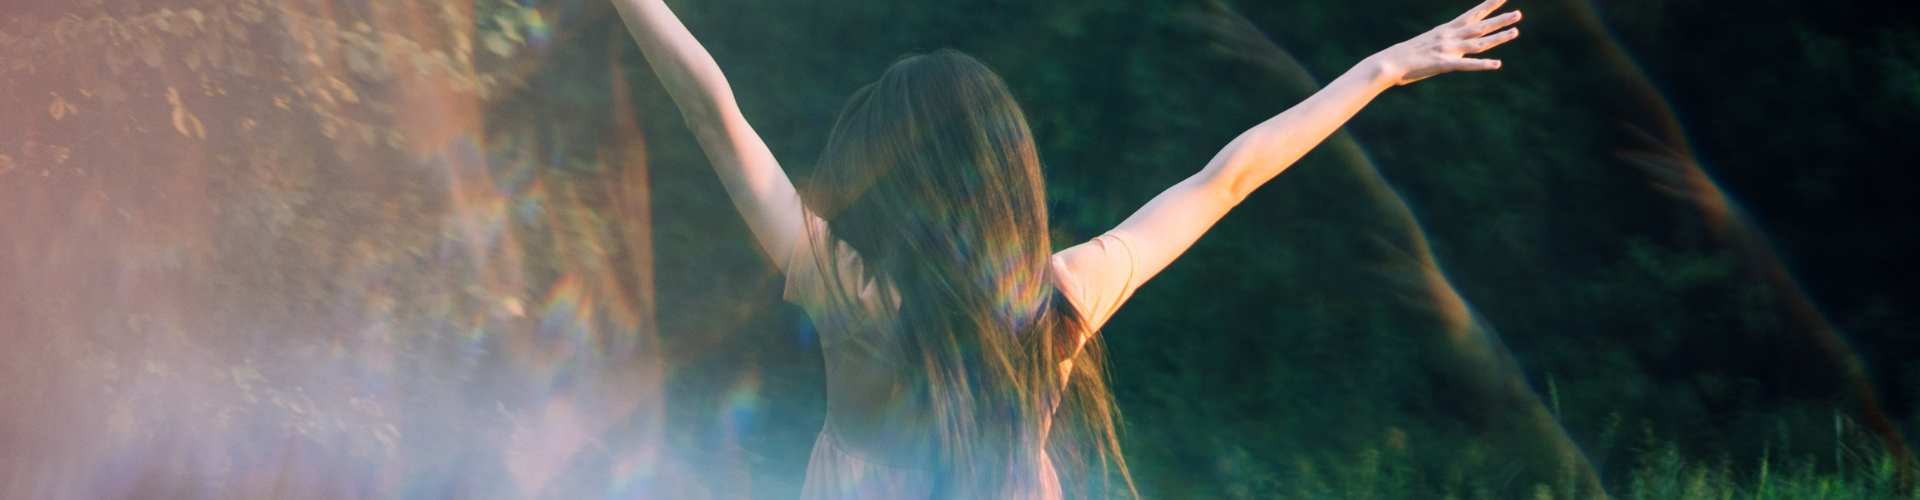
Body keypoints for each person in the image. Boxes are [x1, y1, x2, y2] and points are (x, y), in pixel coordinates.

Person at [609, 0, 1522, 498]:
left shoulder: (848, 295)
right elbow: (1225, 178)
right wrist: (1385, 66)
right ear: (1009, 184)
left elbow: (711, 113)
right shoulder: (1057, 304)